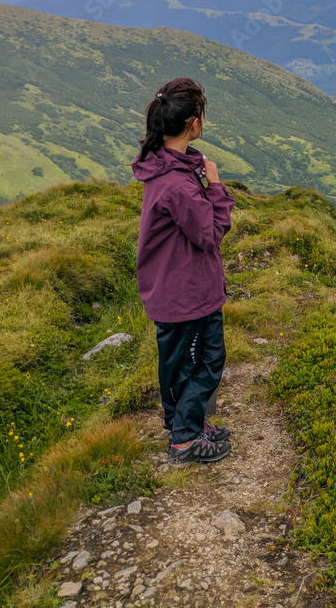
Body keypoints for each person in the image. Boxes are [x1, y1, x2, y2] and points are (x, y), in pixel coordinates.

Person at [132, 77, 236, 465]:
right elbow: (210, 233)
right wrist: (216, 185)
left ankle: (184, 421)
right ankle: (185, 440)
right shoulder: (177, 184)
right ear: (194, 123)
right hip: (187, 295)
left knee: (180, 365)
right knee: (208, 361)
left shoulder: (162, 165)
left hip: (177, 289)